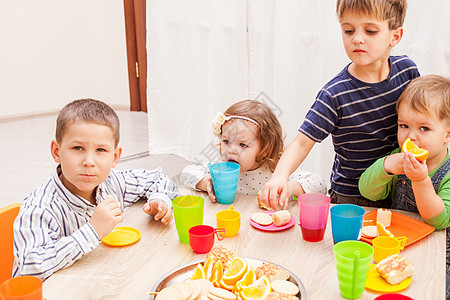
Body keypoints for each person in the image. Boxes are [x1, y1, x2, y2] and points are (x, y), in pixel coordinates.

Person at [260, 0, 420, 210]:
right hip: (352, 198)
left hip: (400, 188)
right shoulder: (335, 94)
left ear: (395, 36)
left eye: (370, 31)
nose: (357, 39)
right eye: (348, 30)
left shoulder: (407, 72)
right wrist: (280, 176)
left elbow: (426, 115)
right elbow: (301, 143)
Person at [12, 99, 177, 280]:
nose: (89, 161)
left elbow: (157, 178)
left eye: (100, 150)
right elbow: (30, 267)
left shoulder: (113, 182)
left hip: (98, 281)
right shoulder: (40, 209)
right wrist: (93, 231)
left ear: (115, 157)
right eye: (78, 148)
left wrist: (159, 199)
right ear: (57, 151)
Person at [358, 75, 450, 298]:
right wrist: (386, 166)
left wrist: (420, 181)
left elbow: (439, 219)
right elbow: (367, 191)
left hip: (437, 256)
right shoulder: (398, 158)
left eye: (424, 129)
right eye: (404, 126)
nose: (411, 136)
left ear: (448, 134)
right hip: (398, 247)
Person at [180, 100, 327, 205]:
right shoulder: (220, 168)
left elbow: (320, 186)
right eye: (226, 141)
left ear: (265, 149)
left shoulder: (276, 171)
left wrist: (290, 188)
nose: (231, 150)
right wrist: (205, 184)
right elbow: (187, 173)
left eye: (242, 144)